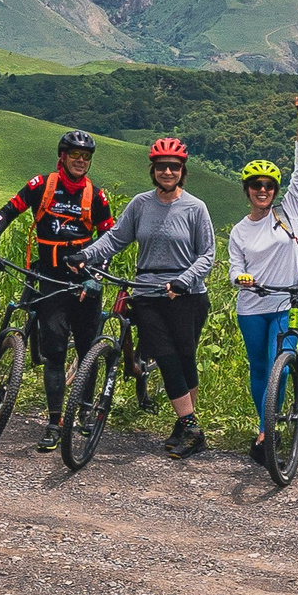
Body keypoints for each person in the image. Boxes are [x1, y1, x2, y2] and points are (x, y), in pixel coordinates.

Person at [0, 129, 115, 451]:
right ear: (62, 157)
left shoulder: (96, 196)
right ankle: (54, 422)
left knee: (87, 350)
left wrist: (98, 277)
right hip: (50, 280)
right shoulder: (42, 185)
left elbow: (109, 242)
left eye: (86, 157)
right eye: (74, 155)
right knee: (55, 354)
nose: (80, 161)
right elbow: (8, 210)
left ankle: (86, 412)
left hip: (85, 282)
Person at [77, 136, 217, 457]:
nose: (168, 172)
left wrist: (182, 282)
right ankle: (194, 429)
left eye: (174, 167)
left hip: (187, 296)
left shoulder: (196, 208)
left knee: (184, 359)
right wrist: (85, 256)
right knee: (166, 356)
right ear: (153, 170)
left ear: (183, 171)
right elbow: (114, 239)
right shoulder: (140, 204)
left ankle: (185, 425)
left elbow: (206, 256)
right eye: (161, 167)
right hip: (148, 293)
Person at [228, 97, 298, 465]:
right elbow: (233, 268)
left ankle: (269, 430)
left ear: (275, 190)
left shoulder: (288, 212)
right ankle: (266, 425)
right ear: (247, 189)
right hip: (251, 307)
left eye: (268, 185)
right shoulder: (239, 230)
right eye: (255, 185)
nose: (262, 190)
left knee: (278, 362)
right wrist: (241, 277)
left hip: (285, 302)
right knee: (259, 368)